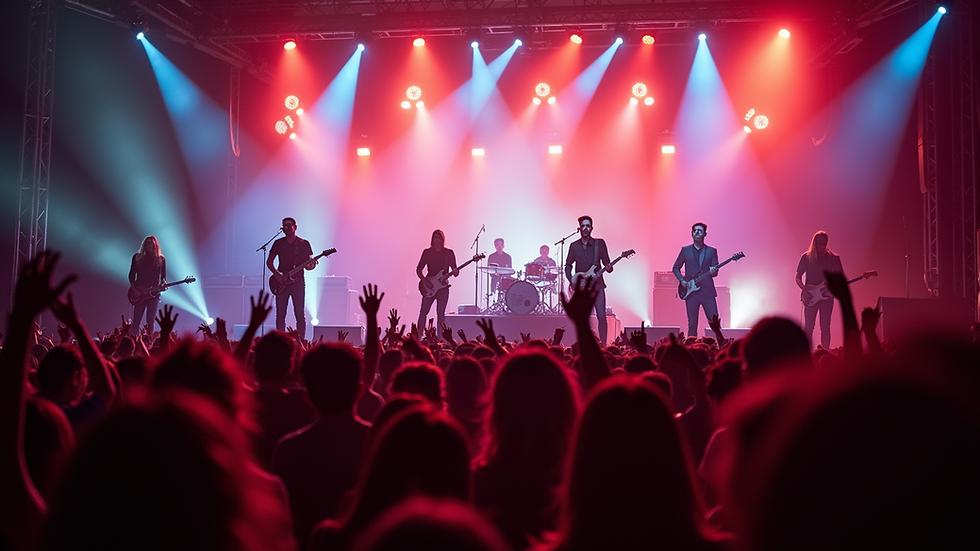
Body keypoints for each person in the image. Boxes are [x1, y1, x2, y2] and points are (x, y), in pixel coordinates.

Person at [564, 215, 612, 345]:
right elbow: (568, 265)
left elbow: (607, 263)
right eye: (583, 226)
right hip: (582, 287)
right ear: (579, 228)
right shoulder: (574, 246)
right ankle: (586, 345)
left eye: (588, 226)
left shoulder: (599, 244)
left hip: (598, 286)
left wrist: (609, 267)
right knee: (583, 318)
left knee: (601, 316)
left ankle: (603, 344)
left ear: (592, 228)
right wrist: (571, 280)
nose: (585, 228)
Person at [267, 217, 317, 339]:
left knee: (299, 314)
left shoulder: (304, 244)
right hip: (281, 282)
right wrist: (277, 274)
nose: (287, 228)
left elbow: (309, 265)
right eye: (284, 226)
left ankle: (301, 341)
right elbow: (269, 261)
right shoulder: (278, 243)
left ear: (295, 227)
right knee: (280, 315)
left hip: (298, 283)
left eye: (289, 225)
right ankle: (280, 341)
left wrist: (311, 265)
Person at [795, 230, 844, 349]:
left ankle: (825, 353)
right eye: (819, 244)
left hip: (827, 298)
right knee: (809, 326)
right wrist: (804, 289)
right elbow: (797, 276)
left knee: (825, 327)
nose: (822, 247)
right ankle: (807, 353)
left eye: (824, 243)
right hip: (810, 296)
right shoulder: (806, 257)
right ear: (815, 243)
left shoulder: (833, 259)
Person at [673, 222, 719, 338]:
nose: (697, 233)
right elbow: (675, 267)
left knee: (715, 323)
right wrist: (682, 281)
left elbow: (715, 272)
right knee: (692, 324)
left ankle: (720, 347)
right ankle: (691, 349)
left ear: (705, 234)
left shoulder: (711, 251)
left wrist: (713, 271)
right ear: (691, 233)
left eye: (700, 231)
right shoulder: (685, 250)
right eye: (694, 231)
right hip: (691, 293)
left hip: (707, 292)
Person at [417, 229, 458, 332]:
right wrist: (424, 280)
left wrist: (456, 272)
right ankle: (418, 336)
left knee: (441, 314)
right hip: (429, 286)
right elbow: (418, 269)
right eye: (435, 238)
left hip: (443, 288)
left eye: (439, 238)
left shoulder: (449, 253)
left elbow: (455, 271)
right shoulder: (427, 252)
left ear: (442, 239)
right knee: (423, 312)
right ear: (432, 239)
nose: (437, 240)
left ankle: (441, 338)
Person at [129, 236, 166, 333]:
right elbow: (131, 275)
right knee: (136, 320)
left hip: (154, 294)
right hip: (140, 292)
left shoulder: (161, 259)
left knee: (150, 320)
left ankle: (149, 343)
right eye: (147, 243)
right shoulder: (137, 257)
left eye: (151, 243)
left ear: (155, 245)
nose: (149, 245)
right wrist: (134, 289)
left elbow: (163, 277)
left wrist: (163, 284)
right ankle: (134, 341)